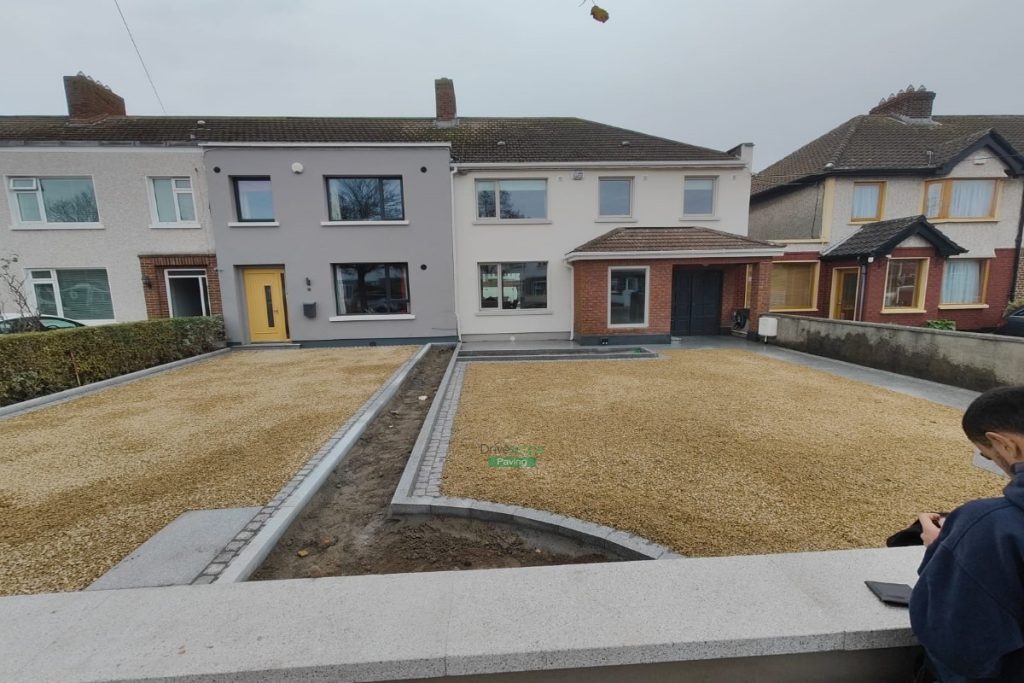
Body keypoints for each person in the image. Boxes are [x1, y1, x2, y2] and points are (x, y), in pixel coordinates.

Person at [911, 385, 1024, 682]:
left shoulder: (988, 525)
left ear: (1005, 445)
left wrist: (947, 549)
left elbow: (960, 648)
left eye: (988, 456)